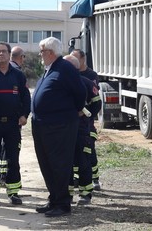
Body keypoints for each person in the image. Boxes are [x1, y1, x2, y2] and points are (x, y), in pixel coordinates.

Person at [32, 37, 85, 217]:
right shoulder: (50, 68)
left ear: (51, 53)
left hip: (60, 125)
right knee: (46, 164)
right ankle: (54, 199)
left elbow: (80, 93)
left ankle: (62, 204)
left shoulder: (65, 68)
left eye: (42, 51)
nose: (40, 54)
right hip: (42, 125)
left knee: (59, 164)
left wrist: (75, 110)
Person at [0, 42, 30, 205]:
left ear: (10, 55)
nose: (0, 54)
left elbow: (26, 97)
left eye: (3, 51)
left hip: (13, 124)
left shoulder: (18, 75)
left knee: (13, 159)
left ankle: (14, 192)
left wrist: (24, 115)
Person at [63, 54, 101, 206]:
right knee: (66, 162)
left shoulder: (85, 82)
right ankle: (68, 193)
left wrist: (85, 114)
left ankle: (86, 194)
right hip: (64, 130)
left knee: (83, 160)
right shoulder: (60, 84)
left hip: (81, 128)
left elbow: (96, 104)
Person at [70, 49, 102, 191]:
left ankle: (94, 179)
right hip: (72, 125)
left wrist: (87, 115)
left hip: (86, 124)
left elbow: (96, 103)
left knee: (89, 153)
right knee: (75, 155)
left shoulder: (90, 77)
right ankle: (77, 179)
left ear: (82, 59)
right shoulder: (66, 79)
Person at [0, 46, 25, 186]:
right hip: (10, 121)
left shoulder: (17, 74)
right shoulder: (18, 73)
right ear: (21, 57)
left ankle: (3, 176)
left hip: (12, 120)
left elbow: (25, 97)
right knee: (11, 151)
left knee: (2, 150)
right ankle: (6, 177)